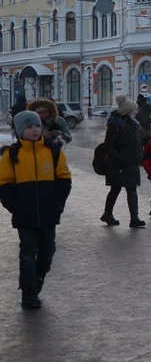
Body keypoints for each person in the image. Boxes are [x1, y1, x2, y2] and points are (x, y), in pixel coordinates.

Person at [0, 111, 72, 309]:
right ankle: (29, 292)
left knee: (48, 252)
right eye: (29, 127)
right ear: (20, 130)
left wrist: (58, 205)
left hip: (49, 213)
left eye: (37, 126)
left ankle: (37, 280)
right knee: (28, 253)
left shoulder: (53, 150)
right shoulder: (11, 154)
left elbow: (64, 179)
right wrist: (16, 208)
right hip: (25, 215)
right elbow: (4, 184)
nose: (34, 130)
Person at [101, 95, 146, 228]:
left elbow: (136, 142)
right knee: (120, 189)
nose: (136, 112)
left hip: (131, 162)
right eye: (134, 110)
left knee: (126, 188)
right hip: (119, 164)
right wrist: (121, 159)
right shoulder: (116, 124)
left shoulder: (131, 123)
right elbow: (108, 145)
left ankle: (126, 217)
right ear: (127, 111)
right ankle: (129, 218)